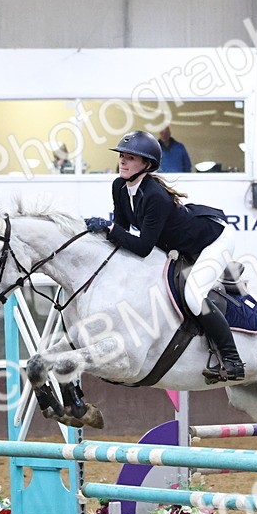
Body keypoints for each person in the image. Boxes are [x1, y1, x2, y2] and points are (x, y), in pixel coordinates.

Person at [85, 131, 242, 383]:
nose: (122, 162)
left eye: (130, 158)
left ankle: (232, 360)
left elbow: (143, 247)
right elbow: (123, 231)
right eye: (122, 156)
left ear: (146, 164)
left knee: (193, 296)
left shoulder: (155, 196)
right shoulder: (119, 187)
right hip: (182, 243)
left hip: (214, 240)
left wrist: (110, 229)